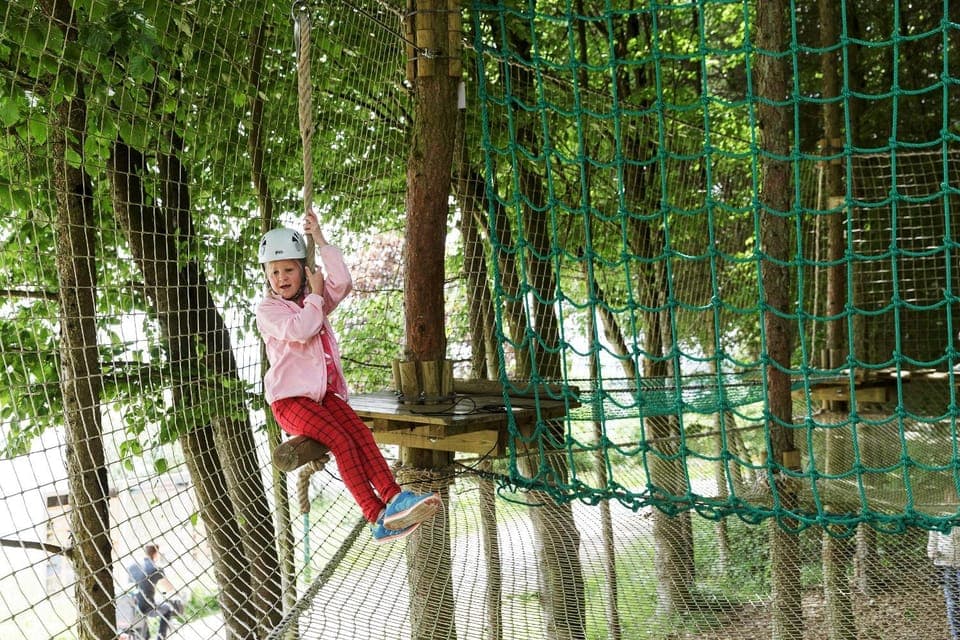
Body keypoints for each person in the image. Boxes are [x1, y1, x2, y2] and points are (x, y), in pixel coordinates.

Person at [256, 210, 440, 543]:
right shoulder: (271, 310)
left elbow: (342, 283)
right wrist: (313, 294)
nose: (282, 278)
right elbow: (301, 330)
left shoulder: (312, 301)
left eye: (289, 270)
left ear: (302, 270)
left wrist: (321, 240)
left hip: (322, 397)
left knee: (359, 432)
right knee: (341, 441)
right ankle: (377, 516)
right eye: (274, 272)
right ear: (267, 277)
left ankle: (394, 497)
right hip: (289, 401)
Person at [127, 543, 179, 640]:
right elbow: (169, 588)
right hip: (147, 607)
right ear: (156, 554)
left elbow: (132, 586)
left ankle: (145, 636)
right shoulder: (155, 568)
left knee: (141, 614)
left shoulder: (133, 567)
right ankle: (160, 637)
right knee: (167, 608)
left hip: (132, 606)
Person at [929, 528, 960, 640]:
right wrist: (931, 551)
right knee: (952, 601)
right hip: (946, 562)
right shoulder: (939, 513)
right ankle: (956, 635)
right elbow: (933, 532)